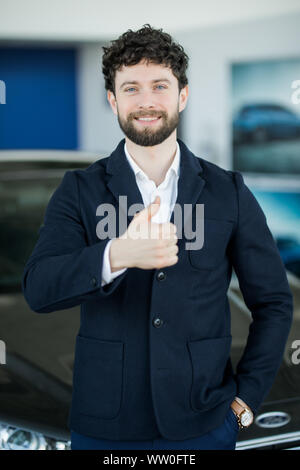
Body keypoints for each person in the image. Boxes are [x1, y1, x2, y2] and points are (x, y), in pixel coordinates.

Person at [22, 24, 293, 450]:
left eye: (159, 86)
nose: (146, 101)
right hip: (104, 429)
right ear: (113, 100)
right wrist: (117, 253)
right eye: (131, 88)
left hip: (204, 425)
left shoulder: (229, 192)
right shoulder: (79, 190)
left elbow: (274, 302)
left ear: (182, 95)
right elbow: (39, 288)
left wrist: (245, 401)